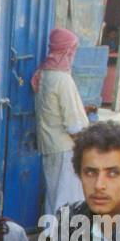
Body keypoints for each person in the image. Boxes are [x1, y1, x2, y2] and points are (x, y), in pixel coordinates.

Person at [32, 28, 89, 217]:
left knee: (54, 195)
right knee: (68, 197)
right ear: (66, 50)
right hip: (65, 147)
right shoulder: (62, 79)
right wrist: (86, 147)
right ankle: (63, 240)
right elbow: (73, 124)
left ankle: (51, 235)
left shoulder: (44, 74)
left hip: (50, 145)